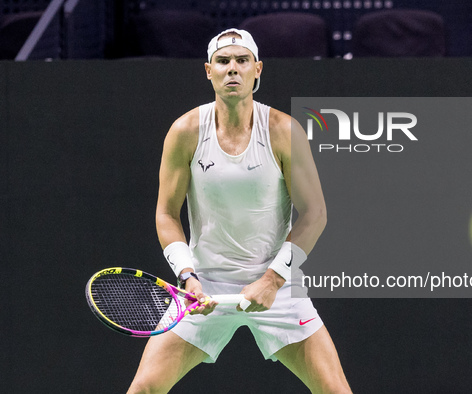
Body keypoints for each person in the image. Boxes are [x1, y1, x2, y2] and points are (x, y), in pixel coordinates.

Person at [127, 29, 352, 393]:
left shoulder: (282, 131)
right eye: (224, 61)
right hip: (205, 287)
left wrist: (273, 280)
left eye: (242, 61)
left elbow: (315, 213)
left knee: (336, 391)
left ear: (257, 69)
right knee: (144, 389)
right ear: (208, 70)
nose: (233, 69)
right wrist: (188, 277)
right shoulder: (185, 131)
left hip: (277, 285)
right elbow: (166, 214)